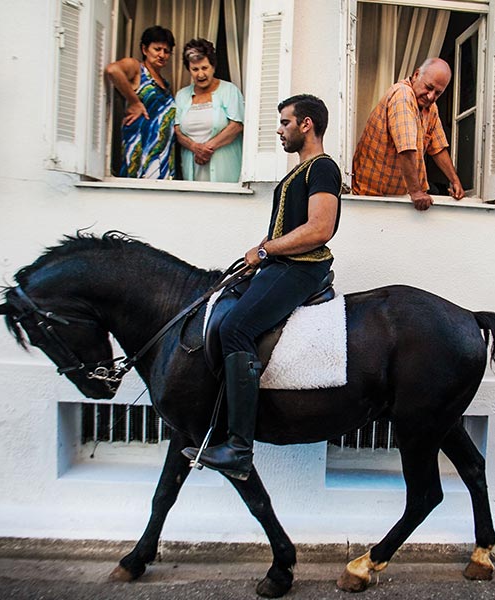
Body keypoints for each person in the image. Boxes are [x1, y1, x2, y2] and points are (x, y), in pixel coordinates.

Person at [182, 95, 342, 480]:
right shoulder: (298, 172)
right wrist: (261, 254)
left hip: (302, 268)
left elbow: (320, 229)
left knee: (236, 328)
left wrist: (266, 250)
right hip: (280, 265)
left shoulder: (322, 168)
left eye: (285, 122)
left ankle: (239, 448)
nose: (279, 130)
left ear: (306, 124)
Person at [352, 57, 465, 210]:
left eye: (438, 93)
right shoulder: (403, 95)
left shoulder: (430, 107)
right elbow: (406, 148)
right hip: (370, 198)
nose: (431, 96)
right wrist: (416, 192)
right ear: (417, 75)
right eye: (428, 87)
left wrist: (455, 180)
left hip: (395, 198)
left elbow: (438, 147)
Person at [104, 25, 177, 179]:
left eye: (166, 51)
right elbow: (112, 70)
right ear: (144, 49)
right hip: (141, 151)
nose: (162, 55)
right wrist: (134, 102)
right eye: (157, 49)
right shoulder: (137, 68)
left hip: (163, 157)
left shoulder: (165, 84)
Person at [174, 39, 245, 183]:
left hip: (225, 170)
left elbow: (236, 126)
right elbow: (177, 131)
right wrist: (194, 147)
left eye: (204, 68)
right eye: (195, 69)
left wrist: (206, 149)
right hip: (192, 171)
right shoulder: (182, 95)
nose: (200, 74)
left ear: (213, 67)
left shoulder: (229, 90)